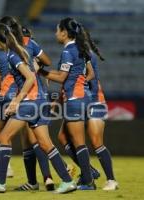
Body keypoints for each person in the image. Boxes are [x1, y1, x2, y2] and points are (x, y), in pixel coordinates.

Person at [0, 23, 76, 194]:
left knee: (3, 136)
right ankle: (67, 180)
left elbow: (29, 78)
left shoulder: (12, 55)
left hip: (30, 102)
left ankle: (0, 183)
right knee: (45, 143)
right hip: (41, 101)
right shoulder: (23, 50)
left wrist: (16, 101)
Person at [0, 16, 55, 191]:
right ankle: (47, 179)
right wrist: (38, 67)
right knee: (37, 139)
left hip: (28, 96)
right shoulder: (30, 42)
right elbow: (47, 62)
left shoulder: (10, 49)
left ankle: (41, 179)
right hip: (40, 94)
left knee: (30, 140)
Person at [57, 30, 118, 190]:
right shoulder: (81, 52)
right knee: (63, 137)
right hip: (87, 98)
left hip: (93, 99)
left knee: (96, 142)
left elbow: (88, 78)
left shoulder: (83, 53)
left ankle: (108, 179)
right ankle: (89, 172)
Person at [40, 17, 96, 190]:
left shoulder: (67, 51)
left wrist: (41, 72)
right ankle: (89, 172)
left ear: (64, 33)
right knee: (63, 137)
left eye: (57, 30)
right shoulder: (79, 48)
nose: (56, 33)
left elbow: (62, 77)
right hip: (81, 96)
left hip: (75, 99)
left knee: (79, 142)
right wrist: (78, 84)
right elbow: (90, 74)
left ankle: (88, 180)